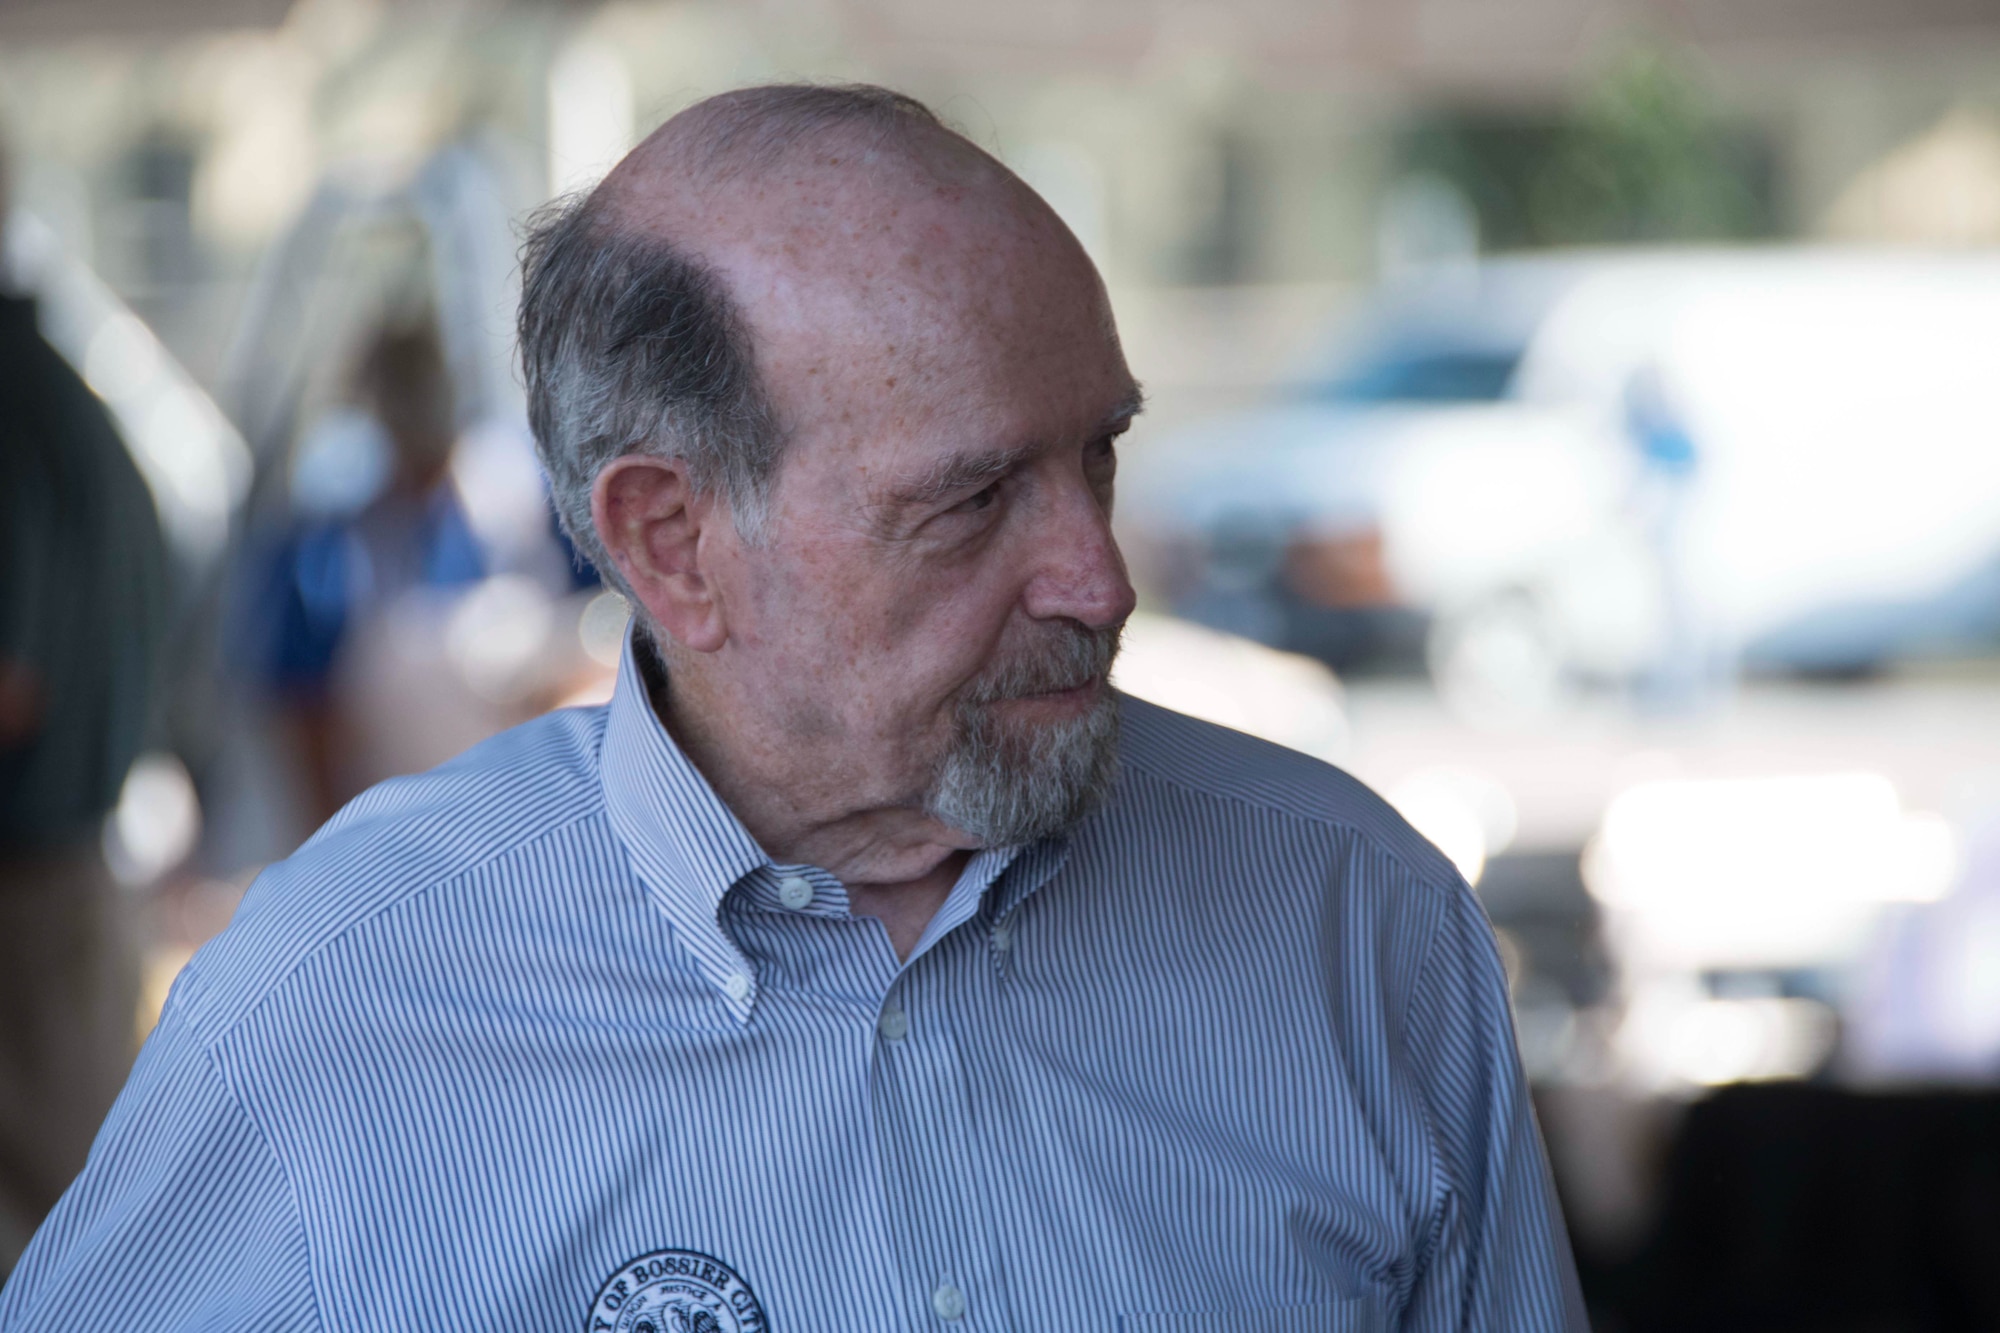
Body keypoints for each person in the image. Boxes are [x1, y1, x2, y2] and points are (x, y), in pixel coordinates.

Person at [0, 85, 1585, 1329]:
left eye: (1097, 454)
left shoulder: (1360, 928)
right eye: (970, 502)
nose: (1098, 581)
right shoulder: (335, 1012)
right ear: (671, 542)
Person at [0, 212, 169, 1271]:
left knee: (77, 1254)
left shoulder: (11, 409)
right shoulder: (57, 390)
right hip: (64, 888)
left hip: (31, 901)